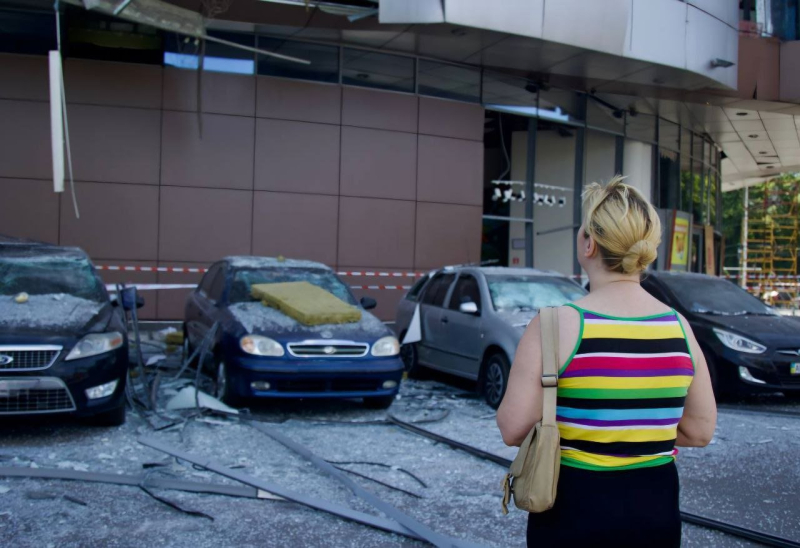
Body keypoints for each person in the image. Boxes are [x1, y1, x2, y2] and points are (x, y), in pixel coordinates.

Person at [497, 176, 717, 548]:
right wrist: (634, 435)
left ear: (589, 244)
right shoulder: (679, 328)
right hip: (656, 506)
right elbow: (699, 431)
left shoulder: (553, 324)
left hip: (572, 507)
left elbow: (513, 428)